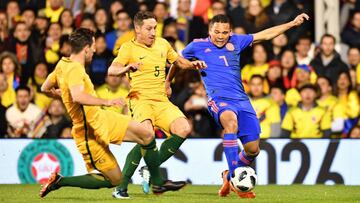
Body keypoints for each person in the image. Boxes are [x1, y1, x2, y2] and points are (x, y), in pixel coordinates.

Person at [39, 28, 186, 199]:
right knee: (114, 179)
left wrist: (62, 93)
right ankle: (60, 182)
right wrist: (107, 101)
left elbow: (45, 88)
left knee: (147, 134)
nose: (95, 49)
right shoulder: (75, 70)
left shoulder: (62, 64)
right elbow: (78, 96)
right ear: (86, 48)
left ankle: (158, 183)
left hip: (102, 118)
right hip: (89, 130)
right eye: (93, 46)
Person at [178, 13, 309, 198]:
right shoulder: (197, 45)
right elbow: (177, 60)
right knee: (230, 124)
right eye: (217, 32)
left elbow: (264, 35)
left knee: (253, 150)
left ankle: (228, 175)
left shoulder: (237, 41)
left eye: (225, 32)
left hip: (242, 101)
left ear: (230, 31)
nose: (221, 36)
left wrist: (292, 24)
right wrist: (169, 81)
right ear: (210, 30)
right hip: (218, 99)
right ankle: (234, 178)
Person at [107, 11, 206, 198]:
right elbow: (112, 70)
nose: (153, 32)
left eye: (155, 28)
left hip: (161, 99)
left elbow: (178, 62)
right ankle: (121, 188)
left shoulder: (162, 43)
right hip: (140, 99)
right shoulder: (128, 48)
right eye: (149, 28)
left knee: (184, 128)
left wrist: (193, 65)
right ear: (137, 29)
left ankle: (149, 169)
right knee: (147, 135)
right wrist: (127, 68)